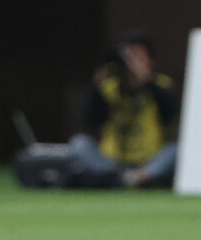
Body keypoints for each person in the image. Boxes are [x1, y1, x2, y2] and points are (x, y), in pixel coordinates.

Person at [68, 28, 179, 189]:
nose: (131, 63)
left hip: (148, 159)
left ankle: (138, 178)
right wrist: (96, 85)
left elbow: (170, 116)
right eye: (128, 57)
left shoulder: (160, 85)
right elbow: (91, 120)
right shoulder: (109, 87)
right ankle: (119, 178)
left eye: (138, 57)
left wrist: (146, 81)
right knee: (79, 143)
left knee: (176, 149)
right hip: (113, 161)